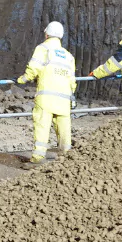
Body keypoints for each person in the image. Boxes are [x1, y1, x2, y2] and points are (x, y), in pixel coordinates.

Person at [17, 21, 76, 167]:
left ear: (46, 34)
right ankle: (67, 158)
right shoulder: (68, 56)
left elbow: (34, 68)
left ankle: (38, 158)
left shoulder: (43, 49)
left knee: (42, 126)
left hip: (47, 98)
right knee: (64, 129)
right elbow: (72, 81)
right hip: (64, 99)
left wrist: (22, 79)